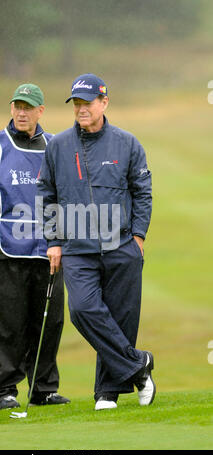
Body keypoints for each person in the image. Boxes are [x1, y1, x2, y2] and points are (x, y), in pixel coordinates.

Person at [37, 73, 155, 411]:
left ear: (104, 102)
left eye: (87, 103)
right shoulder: (58, 145)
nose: (81, 109)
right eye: (76, 103)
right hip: (76, 248)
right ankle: (138, 365)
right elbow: (47, 195)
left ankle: (107, 392)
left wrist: (138, 235)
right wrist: (53, 241)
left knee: (121, 317)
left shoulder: (127, 142)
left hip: (121, 246)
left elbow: (142, 191)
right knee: (83, 309)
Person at [0, 83, 70, 410]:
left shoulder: (54, 146)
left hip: (47, 252)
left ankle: (43, 389)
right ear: (12, 109)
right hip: (3, 254)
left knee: (48, 323)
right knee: (5, 325)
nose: (22, 113)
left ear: (40, 111)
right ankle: (1, 392)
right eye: (17, 106)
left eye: (29, 107)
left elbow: (64, 199)